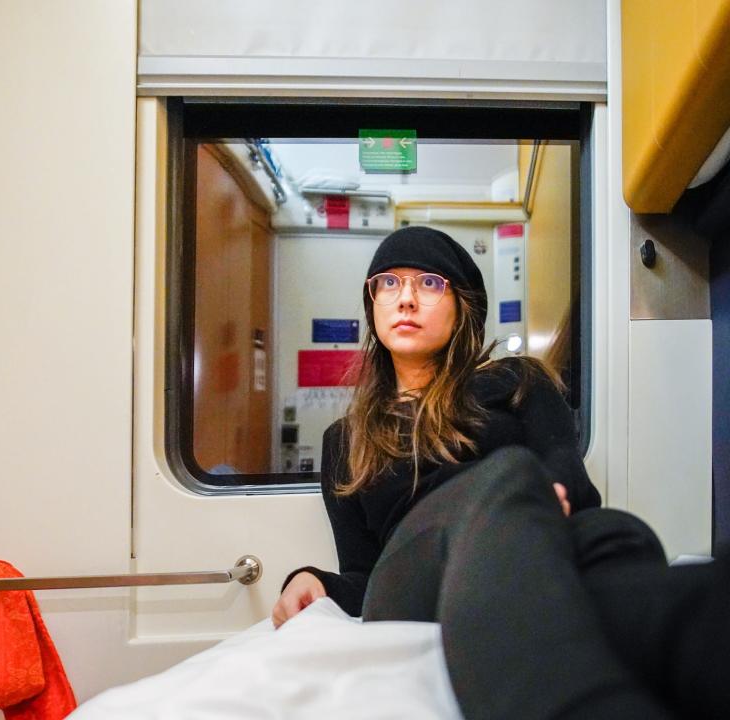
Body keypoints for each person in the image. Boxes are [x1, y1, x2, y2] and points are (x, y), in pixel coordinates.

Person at [271, 226, 729, 720]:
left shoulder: (517, 382)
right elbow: (367, 574)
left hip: (522, 549)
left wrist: (531, 505)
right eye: (388, 283)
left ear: (462, 306)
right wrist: (315, 579)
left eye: (428, 283)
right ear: (373, 303)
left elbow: (572, 485)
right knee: (508, 475)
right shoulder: (346, 439)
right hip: (415, 577)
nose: (405, 299)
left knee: (614, 532)